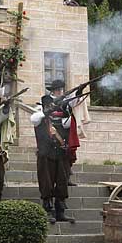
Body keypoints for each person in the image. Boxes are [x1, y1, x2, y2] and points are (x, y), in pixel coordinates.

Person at [32, 80, 76, 223]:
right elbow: (35, 119)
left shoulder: (63, 116)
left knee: (62, 182)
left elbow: (70, 122)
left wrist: (76, 96)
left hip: (61, 153)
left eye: (60, 90)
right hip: (46, 153)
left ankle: (60, 211)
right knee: (47, 182)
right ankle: (48, 211)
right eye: (56, 90)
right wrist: (48, 110)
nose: (59, 91)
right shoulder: (39, 116)